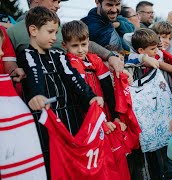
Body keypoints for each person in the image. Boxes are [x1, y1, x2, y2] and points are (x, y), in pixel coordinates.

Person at [17, 6, 104, 172]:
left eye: (55, 32)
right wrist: (37, 95)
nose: (54, 37)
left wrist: (89, 96)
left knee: (76, 161)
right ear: (33, 30)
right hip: (47, 124)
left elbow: (72, 76)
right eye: (50, 32)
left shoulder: (58, 55)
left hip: (70, 118)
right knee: (54, 163)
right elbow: (35, 73)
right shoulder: (27, 54)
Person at [8, 0, 124, 78]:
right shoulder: (12, 32)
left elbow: (86, 43)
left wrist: (110, 56)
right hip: (38, 97)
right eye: (54, 0)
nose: (58, 5)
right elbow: (9, 67)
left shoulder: (62, 28)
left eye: (59, 1)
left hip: (69, 92)